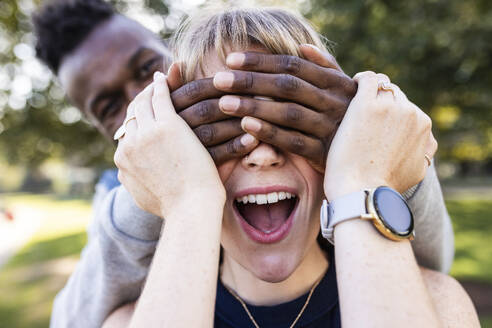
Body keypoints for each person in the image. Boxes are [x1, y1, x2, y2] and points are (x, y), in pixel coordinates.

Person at [31, 1, 454, 327]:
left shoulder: (439, 302)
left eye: (148, 70)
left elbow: (433, 255)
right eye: (110, 105)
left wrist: (368, 160)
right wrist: (186, 197)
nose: (149, 107)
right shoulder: (126, 304)